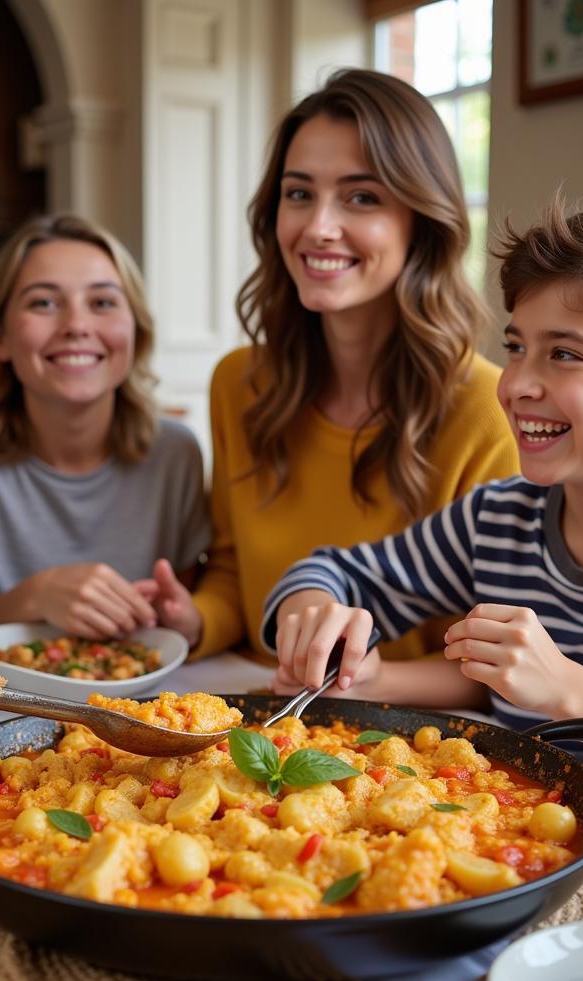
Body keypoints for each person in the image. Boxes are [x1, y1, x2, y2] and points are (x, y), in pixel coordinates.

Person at [265, 195, 583, 812]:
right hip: (506, 818)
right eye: (516, 347)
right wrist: (318, 616)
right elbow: (332, 571)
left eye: (564, 354)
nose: (516, 385)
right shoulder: (500, 517)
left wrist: (567, 690)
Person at [137, 68, 518, 662]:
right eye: (299, 194)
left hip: (416, 738)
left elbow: (495, 652)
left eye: (361, 197)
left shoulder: (490, 410)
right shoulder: (239, 383)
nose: (318, 227)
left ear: (422, 220)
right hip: (253, 710)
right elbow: (236, 575)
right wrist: (192, 620)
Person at [0, 214, 209, 649]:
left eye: (103, 303)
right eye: (44, 303)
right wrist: (34, 597)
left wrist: (186, 620)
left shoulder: (176, 454)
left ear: (136, 331)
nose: (76, 325)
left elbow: (181, 618)